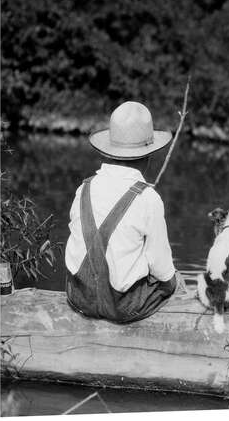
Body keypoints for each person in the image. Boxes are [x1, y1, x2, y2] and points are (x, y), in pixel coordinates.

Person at [65, 101, 180, 323]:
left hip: (77, 296)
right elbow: (161, 268)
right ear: (148, 156)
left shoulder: (84, 188)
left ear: (110, 150)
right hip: (122, 307)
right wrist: (173, 282)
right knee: (171, 280)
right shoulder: (148, 198)